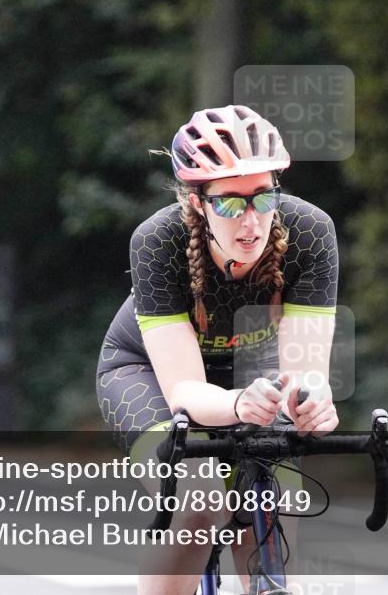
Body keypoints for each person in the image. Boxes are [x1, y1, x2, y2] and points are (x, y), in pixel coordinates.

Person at [96, 104, 340, 594]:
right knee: (200, 500)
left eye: (264, 198)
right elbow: (185, 390)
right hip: (145, 372)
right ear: (199, 203)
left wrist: (313, 402)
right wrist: (234, 404)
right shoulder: (156, 242)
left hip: (254, 371)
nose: (251, 221)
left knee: (270, 515)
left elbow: (305, 370)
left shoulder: (311, 233)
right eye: (230, 203)